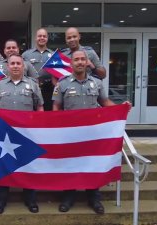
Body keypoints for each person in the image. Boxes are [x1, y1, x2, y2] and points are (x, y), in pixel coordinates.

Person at [52, 50, 131, 214]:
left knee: (92, 165)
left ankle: (94, 198)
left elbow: (104, 101)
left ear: (87, 62)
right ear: (71, 63)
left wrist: (120, 108)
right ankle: (68, 197)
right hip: (70, 135)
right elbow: (56, 108)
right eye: (76, 60)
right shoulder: (62, 83)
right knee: (70, 166)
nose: (80, 62)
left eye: (82, 59)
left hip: (93, 134)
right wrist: (56, 128)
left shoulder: (96, 83)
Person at [0, 54, 44, 214]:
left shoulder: (33, 84)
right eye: (13, 63)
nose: (16, 66)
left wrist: (39, 127)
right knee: (4, 167)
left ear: (23, 66)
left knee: (28, 167)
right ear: (7, 66)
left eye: (19, 63)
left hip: (26, 134)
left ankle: (30, 199)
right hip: (5, 136)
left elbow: (39, 107)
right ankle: (1, 200)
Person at [22, 28, 55, 110]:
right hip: (32, 88)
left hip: (49, 89)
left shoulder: (53, 54)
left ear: (47, 38)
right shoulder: (26, 55)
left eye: (44, 36)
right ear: (35, 38)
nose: (42, 38)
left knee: (48, 112)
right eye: (39, 36)